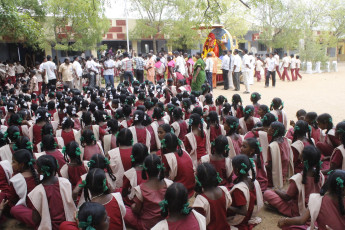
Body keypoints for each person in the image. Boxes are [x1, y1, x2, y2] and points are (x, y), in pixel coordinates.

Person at [264, 145, 324, 218]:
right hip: (314, 209)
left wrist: (276, 190)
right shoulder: (320, 175)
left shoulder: (298, 178)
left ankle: (284, 210)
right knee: (283, 192)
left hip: (298, 211)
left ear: (303, 159)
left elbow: (287, 197)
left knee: (267, 193)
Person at [277, 170, 345, 230]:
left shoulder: (317, 200)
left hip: (295, 209)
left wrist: (285, 220)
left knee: (289, 227)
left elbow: (301, 220)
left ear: (328, 184)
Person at [124, 154, 173, 230]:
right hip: (165, 221)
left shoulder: (140, 189)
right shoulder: (169, 184)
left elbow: (136, 210)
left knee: (125, 210)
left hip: (147, 225)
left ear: (145, 170)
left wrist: (132, 206)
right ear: (160, 169)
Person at [28, 155, 76, 229]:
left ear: (39, 171)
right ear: (56, 166)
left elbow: (35, 219)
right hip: (68, 224)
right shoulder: (65, 182)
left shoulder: (37, 191)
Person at [192, 163, 232, 229]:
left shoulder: (200, 201)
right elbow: (228, 205)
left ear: (199, 180)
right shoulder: (224, 190)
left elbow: (200, 223)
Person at [228, 155, 263, 229]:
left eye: (233, 167)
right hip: (250, 215)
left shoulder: (239, 189)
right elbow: (255, 201)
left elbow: (243, 211)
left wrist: (227, 206)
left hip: (240, 219)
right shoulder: (253, 180)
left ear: (237, 170)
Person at [161, 133, 195, 197]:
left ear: (165, 145)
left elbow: (163, 175)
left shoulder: (167, 157)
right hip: (191, 188)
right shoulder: (183, 151)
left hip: (179, 191)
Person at [266, 121, 294, 189]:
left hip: (275, 177)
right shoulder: (286, 140)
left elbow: (270, 165)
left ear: (273, 131)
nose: (268, 128)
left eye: (269, 127)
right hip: (285, 173)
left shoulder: (273, 146)